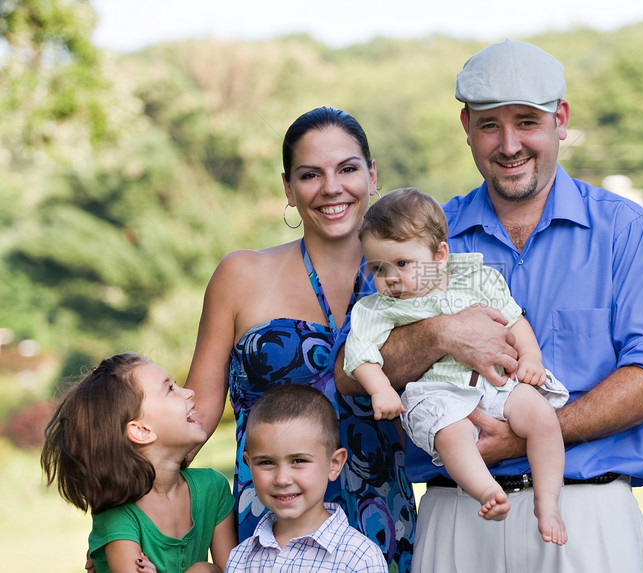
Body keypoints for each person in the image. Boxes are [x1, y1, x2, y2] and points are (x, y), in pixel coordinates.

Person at [337, 40, 643, 572]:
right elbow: (355, 373)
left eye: (526, 121)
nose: (509, 144)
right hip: (457, 512)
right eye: (489, 125)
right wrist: (440, 333)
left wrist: (527, 434)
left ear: (562, 120)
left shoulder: (623, 230)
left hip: (586, 515)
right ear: (465, 127)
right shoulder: (428, 235)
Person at [184, 107, 415, 572]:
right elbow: (191, 423)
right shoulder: (240, 275)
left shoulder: (415, 281)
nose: (332, 187)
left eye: (348, 169)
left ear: (372, 176)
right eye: (311, 174)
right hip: (268, 524)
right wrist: (128, 511)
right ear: (288, 189)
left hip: (382, 518)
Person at [344, 187, 570, 544]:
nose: (389, 278)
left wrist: (531, 358)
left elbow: (514, 320)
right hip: (437, 393)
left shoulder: (475, 278)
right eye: (377, 268)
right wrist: (381, 389)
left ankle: (548, 501)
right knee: (452, 435)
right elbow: (360, 356)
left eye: (402, 264)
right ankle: (486, 492)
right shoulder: (377, 308)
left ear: (439, 255)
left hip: (495, 383)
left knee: (541, 416)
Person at [41, 353, 236, 573]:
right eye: (170, 389)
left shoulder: (213, 487)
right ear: (141, 431)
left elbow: (235, 569)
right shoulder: (118, 515)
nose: (189, 392)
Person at [226, 384, 387, 572]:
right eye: (266, 462)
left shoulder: (359, 558)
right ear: (249, 464)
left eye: (298, 460)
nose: (282, 479)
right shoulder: (241, 558)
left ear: (334, 464)